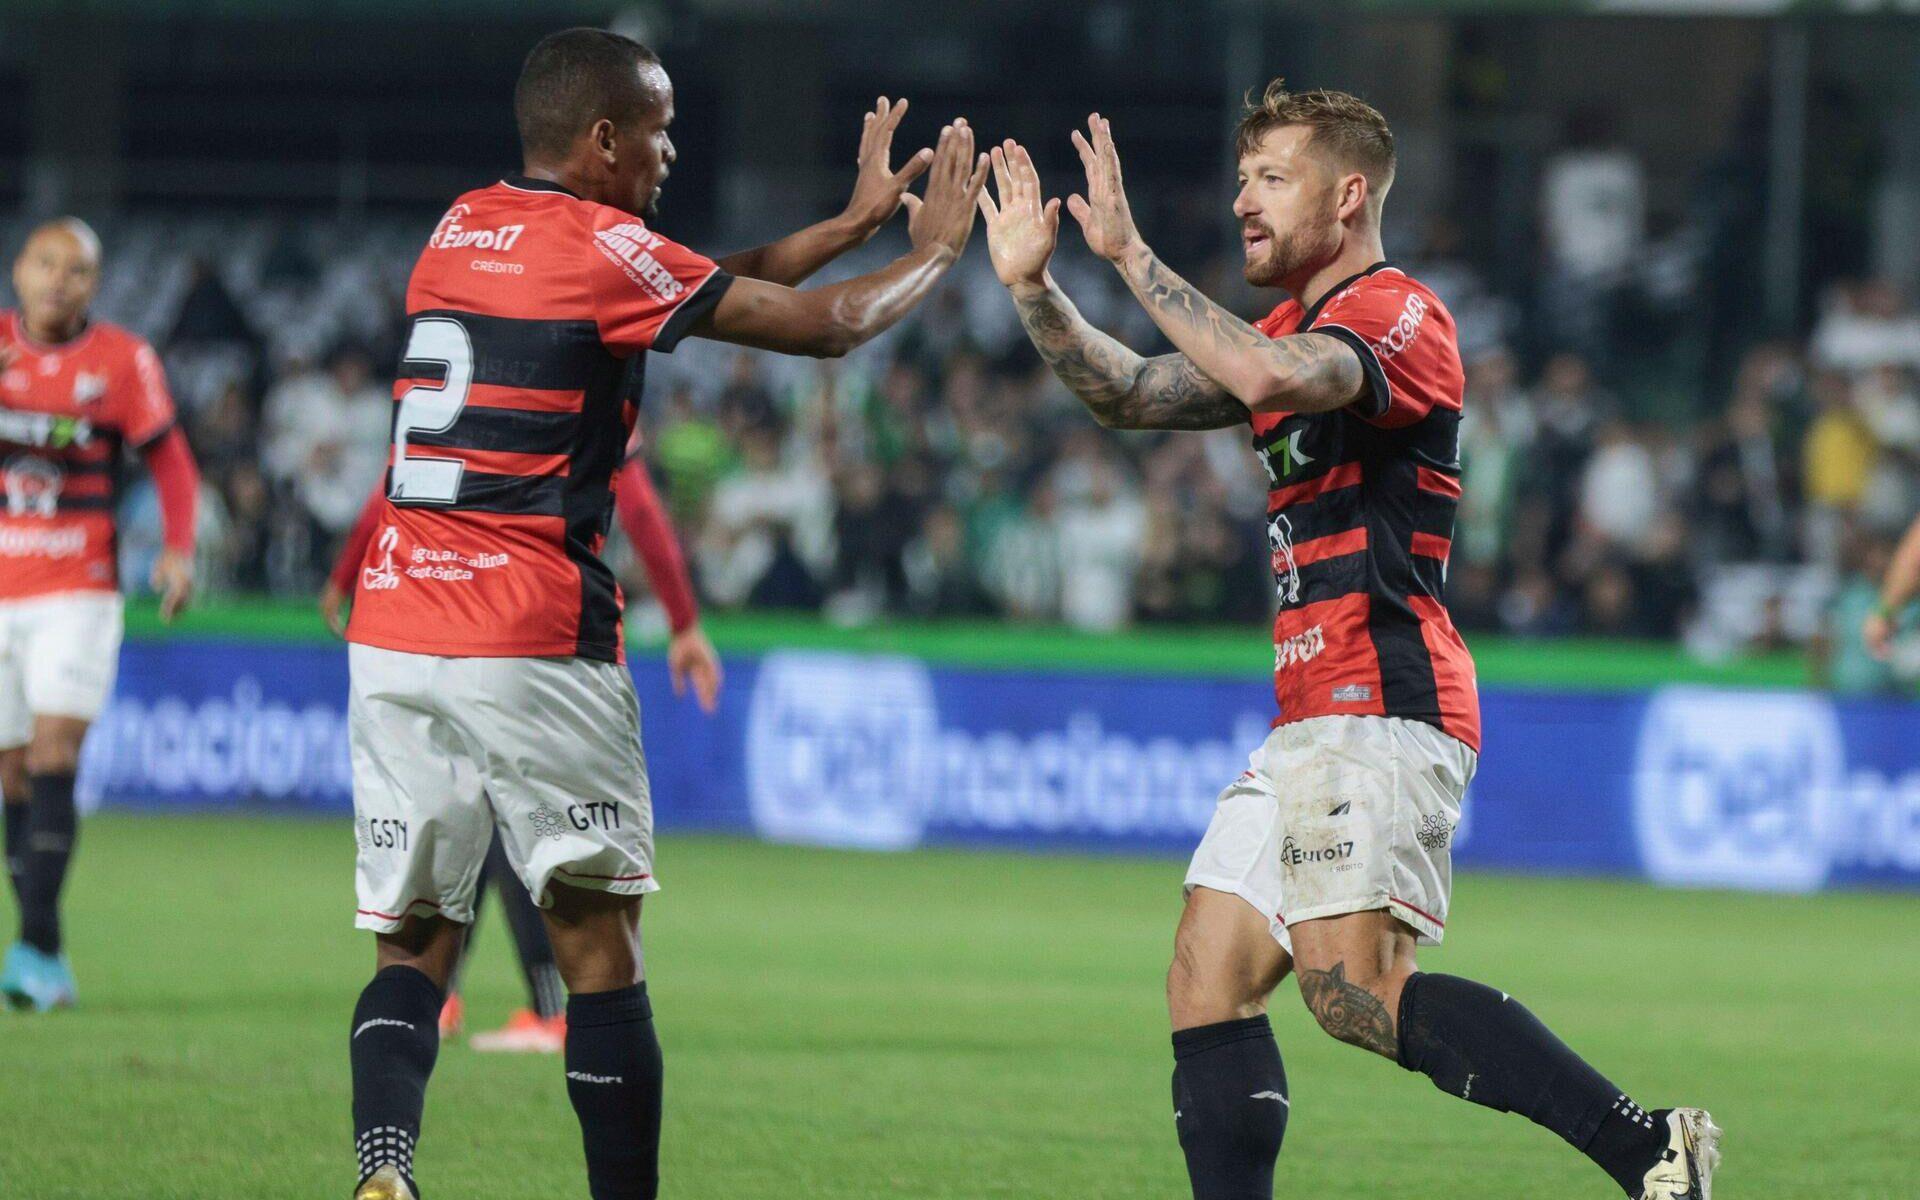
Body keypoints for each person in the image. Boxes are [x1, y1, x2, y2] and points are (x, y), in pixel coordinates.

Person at [976, 82, 1718, 1200]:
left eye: (1271, 178)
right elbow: (1125, 391)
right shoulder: (1273, 330)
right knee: (1205, 981)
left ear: (1349, 192)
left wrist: (1131, 258)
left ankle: (1647, 1143)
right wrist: (1036, 286)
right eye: (1241, 181)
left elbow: (1278, 380)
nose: (1242, 203)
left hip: (1384, 703)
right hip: (1309, 716)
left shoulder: (1398, 313)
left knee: (1353, 989)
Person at [338, 27, 985, 1200]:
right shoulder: (597, 248)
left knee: (415, 941)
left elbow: (674, 288)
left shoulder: (460, 227)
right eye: (658, 126)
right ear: (601, 140)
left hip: (393, 628)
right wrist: (934, 254)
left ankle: (385, 1172)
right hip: (529, 630)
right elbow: (825, 330)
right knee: (598, 951)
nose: (672, 147)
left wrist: (843, 229)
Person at [324, 452, 723, 1054]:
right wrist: (684, 621)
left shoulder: (468, 370)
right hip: (531, 624)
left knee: (499, 818)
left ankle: (535, 1007)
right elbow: (636, 502)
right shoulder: (574, 382)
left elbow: (395, 484)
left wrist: (345, 574)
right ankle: (471, 997)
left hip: (462, 619)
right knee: (500, 817)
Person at [0, 219, 200, 1012]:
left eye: (77, 270)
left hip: (78, 588)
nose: (59, 280)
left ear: (95, 284)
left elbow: (172, 458)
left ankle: (36, 949)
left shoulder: (122, 361)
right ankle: (41, 945)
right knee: (11, 769)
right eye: (46, 264)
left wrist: (178, 548)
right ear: (19, 270)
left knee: (54, 750)